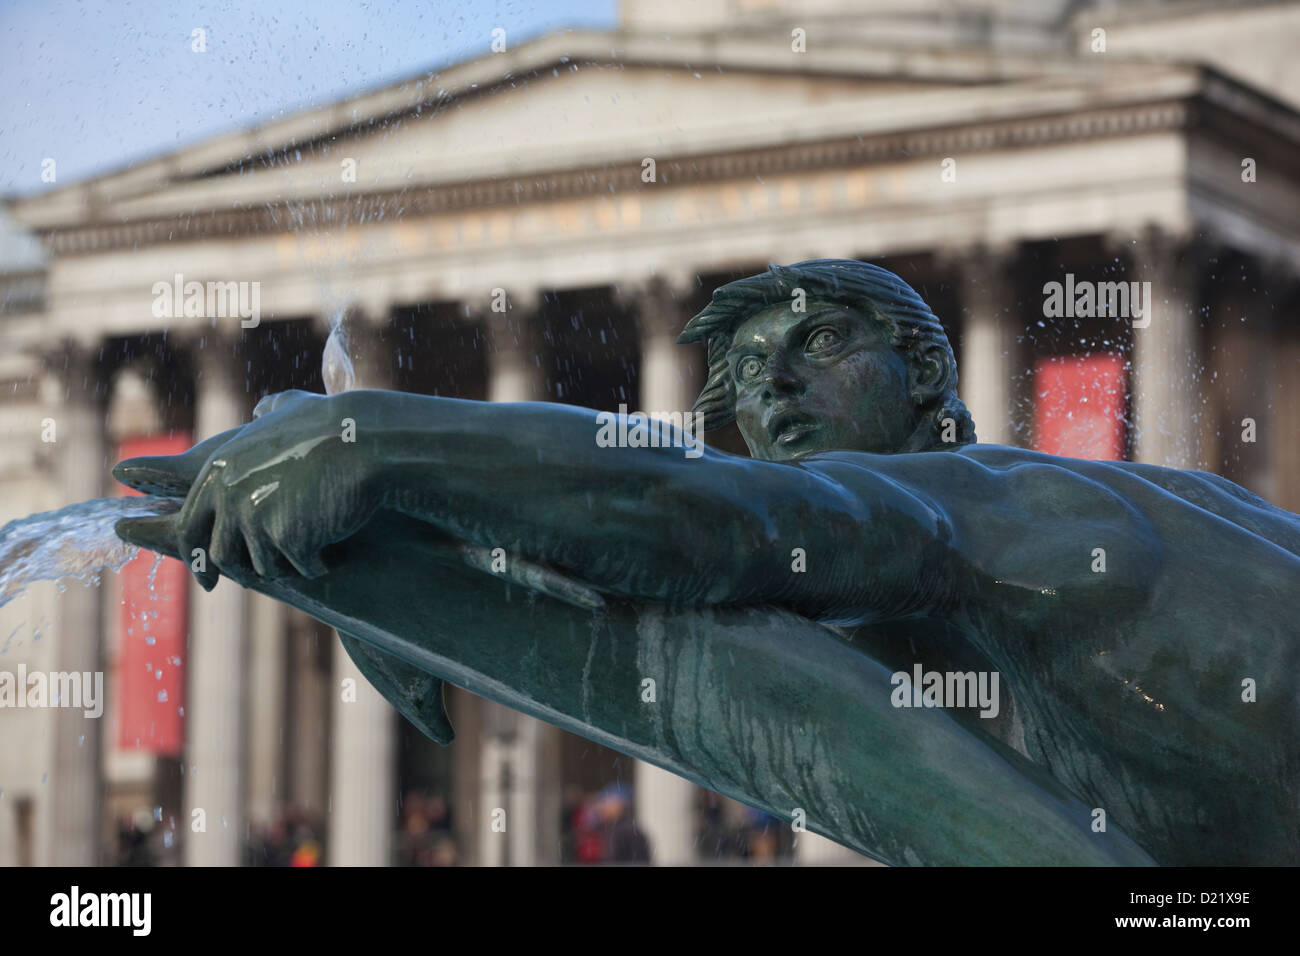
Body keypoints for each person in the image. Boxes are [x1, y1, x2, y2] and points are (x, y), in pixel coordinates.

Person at [114, 260, 1300, 865]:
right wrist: (410, 574)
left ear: (933, 383)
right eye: (742, 383)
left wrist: (370, 440)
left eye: (822, 343)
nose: (772, 391)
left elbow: (712, 529)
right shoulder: (1135, 517)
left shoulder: (1000, 500)